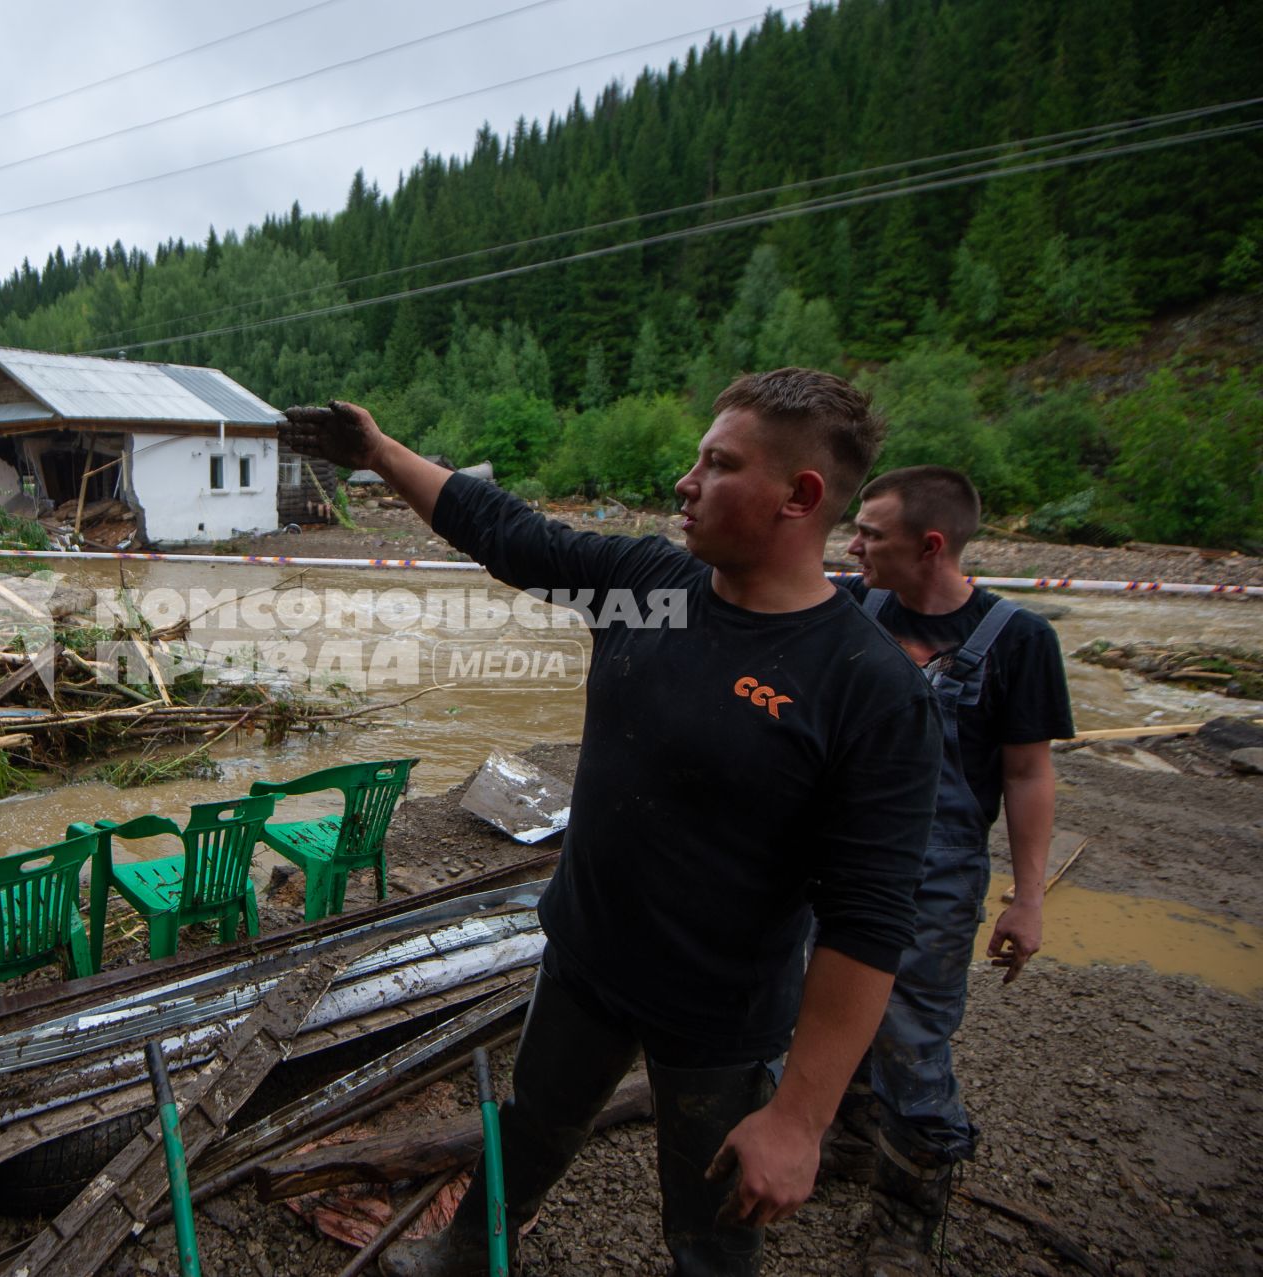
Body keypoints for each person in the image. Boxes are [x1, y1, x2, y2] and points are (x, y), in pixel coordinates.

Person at [281, 368, 943, 1276]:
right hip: (586, 960)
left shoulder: (866, 685)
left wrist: (798, 1117)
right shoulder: (655, 588)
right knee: (534, 1122)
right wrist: (380, 452)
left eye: (718, 463)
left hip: (720, 1012)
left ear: (801, 495)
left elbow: (869, 921)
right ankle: (467, 1253)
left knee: (711, 1227)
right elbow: (513, 535)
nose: (687, 480)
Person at [838, 466, 1073, 1276]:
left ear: (929, 545)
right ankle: (847, 1136)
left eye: (870, 533)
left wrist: (1028, 898)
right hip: (832, 851)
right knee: (819, 1000)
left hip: (933, 877)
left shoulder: (1018, 639)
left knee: (911, 1035)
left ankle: (906, 1221)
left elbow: (1027, 775)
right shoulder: (853, 607)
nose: (853, 544)